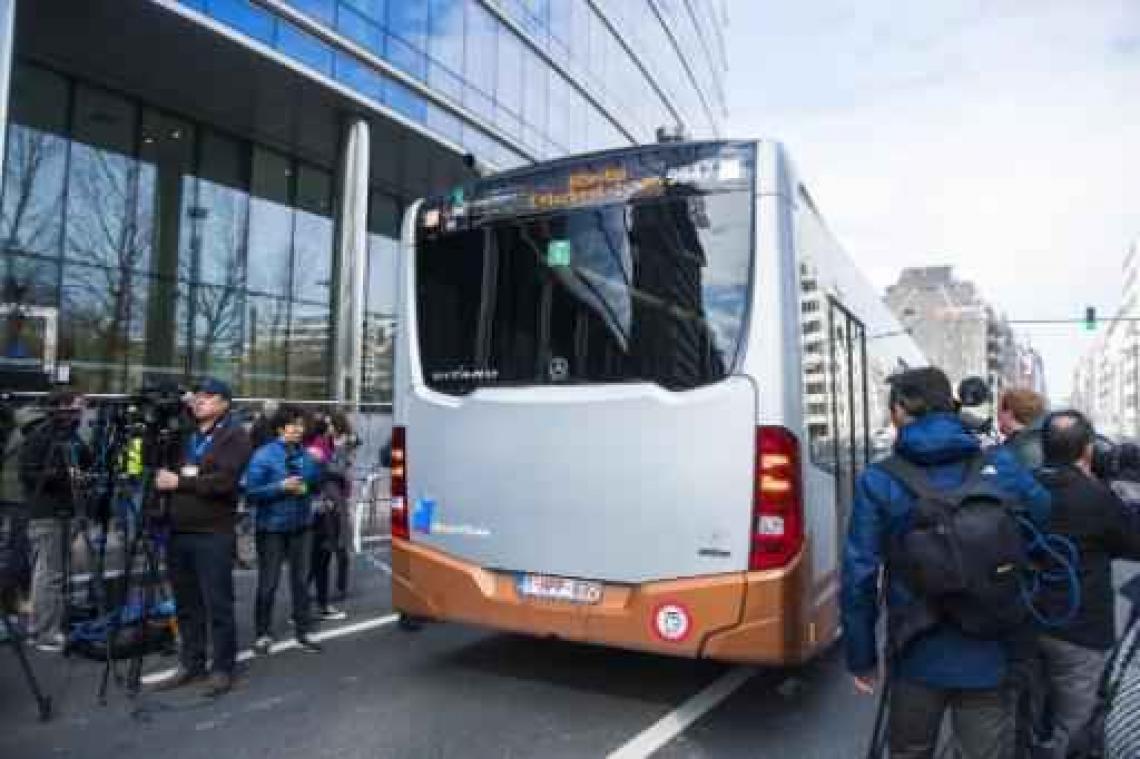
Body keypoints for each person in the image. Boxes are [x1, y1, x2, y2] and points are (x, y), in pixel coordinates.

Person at [842, 367, 1050, 758]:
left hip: (915, 647)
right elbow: (1042, 513)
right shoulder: (999, 464)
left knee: (910, 750)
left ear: (900, 411)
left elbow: (860, 575)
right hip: (991, 645)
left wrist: (862, 657)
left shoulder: (879, 479)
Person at [1033, 410, 1140, 757]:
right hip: (1080, 629)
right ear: (1087, 450)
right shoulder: (1097, 497)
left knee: (1019, 719)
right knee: (1076, 726)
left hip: (1022, 620)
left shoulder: (1020, 488)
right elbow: (1132, 542)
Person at [153, 378, 252, 697]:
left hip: (213, 533)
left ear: (224, 403)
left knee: (217, 603)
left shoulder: (234, 436)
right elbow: (171, 468)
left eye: (207, 397)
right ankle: (191, 662)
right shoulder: (187, 434)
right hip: (179, 531)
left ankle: (223, 668)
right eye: (197, 397)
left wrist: (180, 482)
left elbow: (224, 482)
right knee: (186, 603)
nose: (199, 401)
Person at [245, 405, 323, 655]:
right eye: (294, 425)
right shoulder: (263, 455)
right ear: (280, 428)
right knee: (269, 582)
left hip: (302, 525)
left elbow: (315, 482)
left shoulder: (306, 454)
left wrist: (308, 486)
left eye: (301, 425)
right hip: (271, 528)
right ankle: (262, 633)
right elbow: (250, 492)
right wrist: (280, 487)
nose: (299, 430)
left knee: (301, 581)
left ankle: (304, 630)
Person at [17, 390, 89, 652]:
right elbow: (28, 474)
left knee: (48, 573)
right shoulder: (41, 436)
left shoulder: (70, 435)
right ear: (62, 407)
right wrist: (63, 474)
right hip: (47, 514)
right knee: (50, 575)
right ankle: (45, 633)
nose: (82, 409)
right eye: (77, 405)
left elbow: (86, 459)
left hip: (62, 512)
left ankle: (43, 627)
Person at [308, 412, 354, 619]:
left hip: (335, 498)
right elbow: (331, 469)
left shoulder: (337, 443)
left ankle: (334, 591)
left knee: (333, 548)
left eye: (330, 423)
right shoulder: (319, 443)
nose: (329, 428)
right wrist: (341, 451)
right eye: (326, 424)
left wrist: (343, 450)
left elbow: (341, 470)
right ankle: (315, 596)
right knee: (323, 550)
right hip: (326, 500)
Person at [999, 388, 1047, 471]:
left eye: (1000, 411)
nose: (998, 416)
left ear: (1009, 414)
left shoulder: (1018, 450)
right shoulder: (1042, 440)